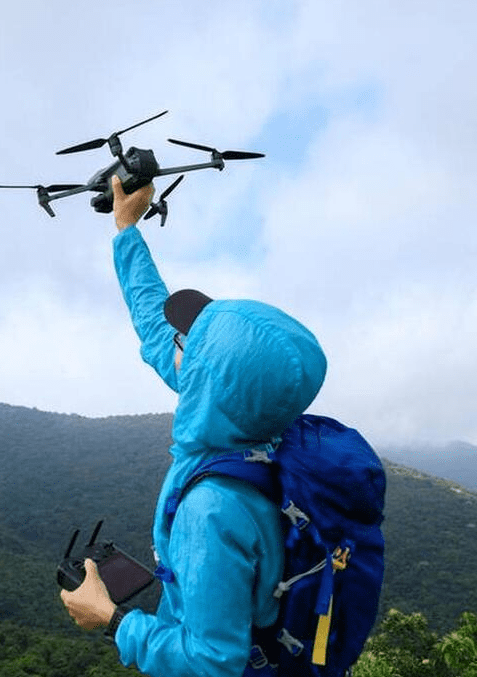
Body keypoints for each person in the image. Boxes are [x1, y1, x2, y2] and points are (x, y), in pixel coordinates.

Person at [61, 176, 328, 677]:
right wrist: (126, 229)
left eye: (189, 345)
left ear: (204, 380)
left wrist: (112, 618)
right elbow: (156, 327)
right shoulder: (266, 428)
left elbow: (212, 663)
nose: (176, 344)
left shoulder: (212, 511)